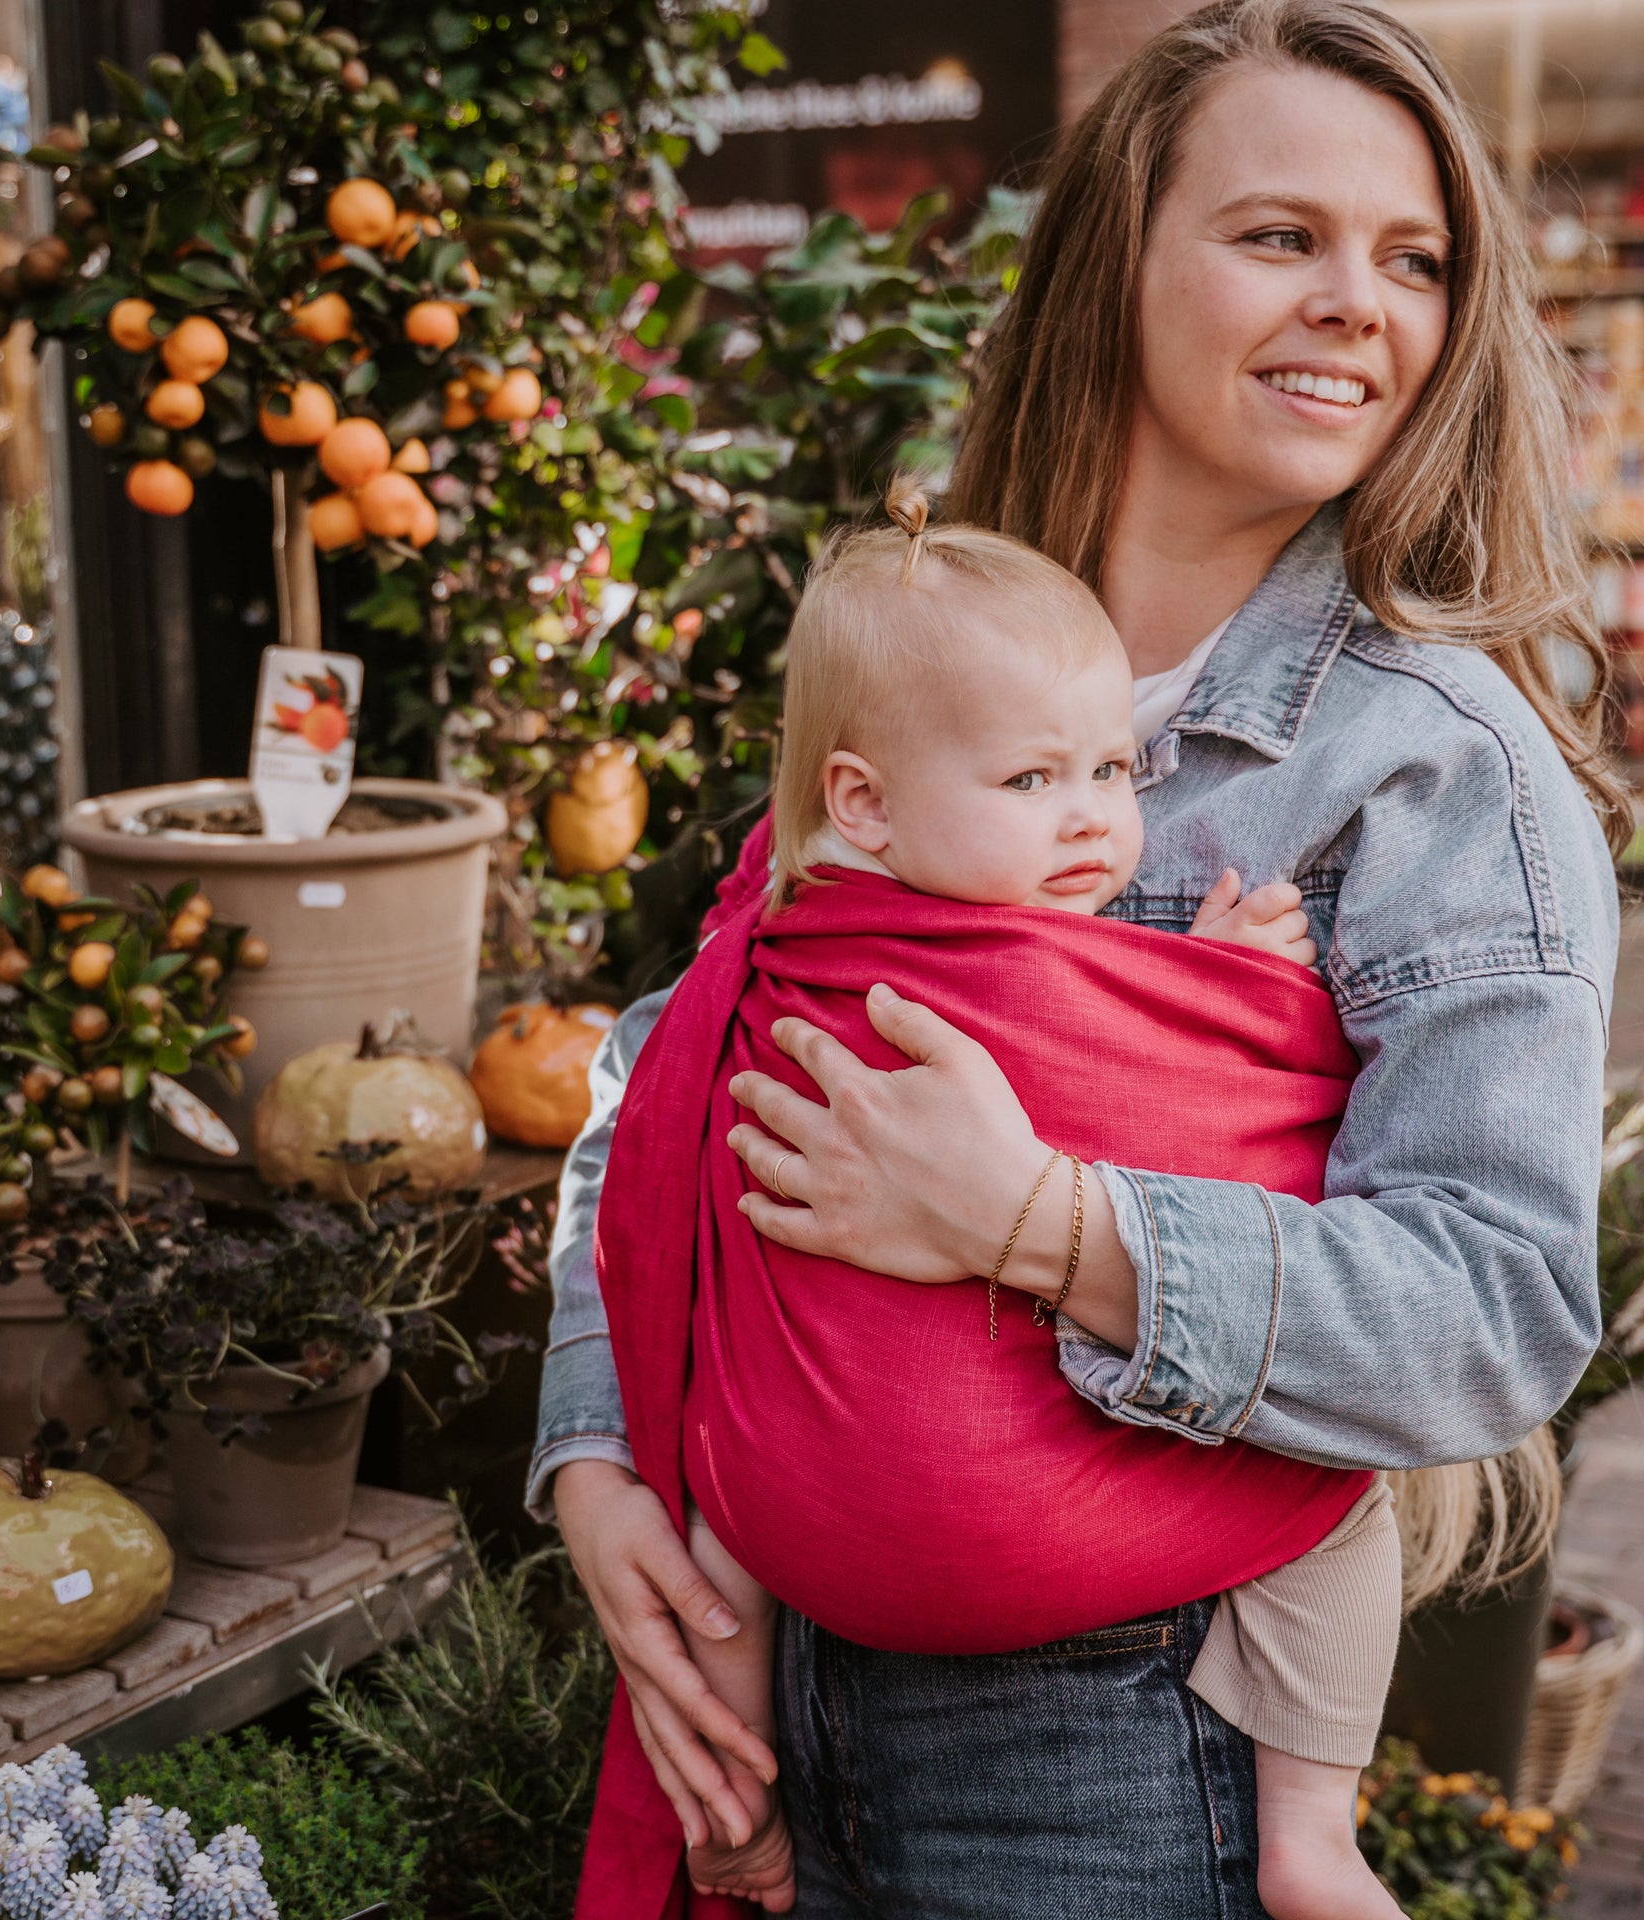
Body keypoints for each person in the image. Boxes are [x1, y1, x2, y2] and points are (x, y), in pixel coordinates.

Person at [535, 3, 1626, 1913]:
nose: (1358, 302)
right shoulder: (939, 642)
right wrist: (598, 1454)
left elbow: (1501, 1304)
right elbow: (681, 1058)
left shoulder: (1439, 765)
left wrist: (1042, 1223)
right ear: (1116, 259)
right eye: (1281, 235)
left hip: (1127, 1733)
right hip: (783, 1678)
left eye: (1416, 260)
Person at [596, 494, 1402, 1919]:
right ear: (863, 801)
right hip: (1036, 1580)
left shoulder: (777, 951)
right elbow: (1183, 1114)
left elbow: (664, 1148)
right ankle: (1311, 1839)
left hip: (802, 1548)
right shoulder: (1003, 973)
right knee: (1335, 1486)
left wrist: (1178, 979)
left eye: (1112, 766)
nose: (1091, 815)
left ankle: (728, 1794)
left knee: (726, 1504)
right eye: (1031, 780)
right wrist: (1228, 993)